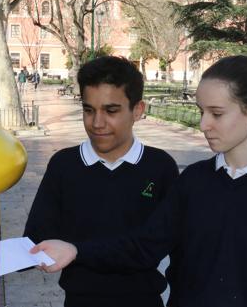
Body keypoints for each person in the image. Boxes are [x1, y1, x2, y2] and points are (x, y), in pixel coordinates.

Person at [33, 55, 247, 307]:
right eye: (201, 112)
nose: (203, 124)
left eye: (217, 113)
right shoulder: (194, 182)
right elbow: (143, 246)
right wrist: (76, 250)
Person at [24, 56, 180, 307]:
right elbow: (36, 237)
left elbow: (153, 246)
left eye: (111, 111)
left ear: (138, 111)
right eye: (88, 110)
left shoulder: (160, 167)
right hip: (79, 301)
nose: (97, 123)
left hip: (143, 301)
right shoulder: (64, 165)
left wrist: (77, 250)